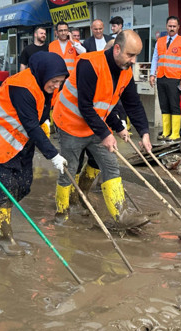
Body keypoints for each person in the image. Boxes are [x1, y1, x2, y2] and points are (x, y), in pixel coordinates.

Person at [0, 52, 69, 255]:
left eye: (60, 82)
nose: (57, 86)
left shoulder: (45, 83)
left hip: (18, 142)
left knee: (23, 185)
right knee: (4, 189)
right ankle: (5, 238)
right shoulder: (22, 87)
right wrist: (53, 155)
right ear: (43, 73)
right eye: (54, 81)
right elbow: (30, 124)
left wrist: (45, 120)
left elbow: (42, 110)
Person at [51, 30, 152, 229]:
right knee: (69, 169)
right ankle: (62, 213)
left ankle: (120, 215)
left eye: (136, 56)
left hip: (95, 125)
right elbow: (86, 106)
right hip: (70, 123)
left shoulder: (125, 71)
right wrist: (106, 134)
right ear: (116, 49)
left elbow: (132, 104)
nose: (133, 60)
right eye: (130, 55)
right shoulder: (89, 64)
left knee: (110, 165)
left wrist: (144, 133)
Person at [149, 16, 181, 141]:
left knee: (174, 105)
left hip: (175, 78)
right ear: (166, 26)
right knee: (164, 105)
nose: (172, 28)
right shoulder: (160, 41)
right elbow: (155, 58)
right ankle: (166, 131)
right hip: (161, 77)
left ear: (178, 27)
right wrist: (152, 74)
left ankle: (175, 133)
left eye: (174, 26)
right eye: (170, 26)